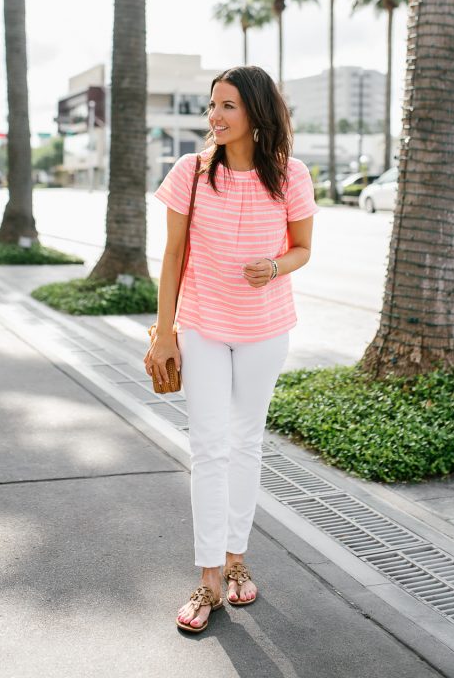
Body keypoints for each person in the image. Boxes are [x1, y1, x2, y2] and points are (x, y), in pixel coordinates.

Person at [145, 64, 318, 634]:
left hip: (267, 328)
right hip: (201, 324)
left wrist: (273, 266)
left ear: (257, 114)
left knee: (246, 444)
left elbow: (301, 250)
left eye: (228, 107)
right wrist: (164, 330)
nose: (215, 117)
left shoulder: (290, 175)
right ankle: (209, 577)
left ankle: (240, 560)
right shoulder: (190, 172)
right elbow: (172, 257)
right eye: (212, 106)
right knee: (210, 447)